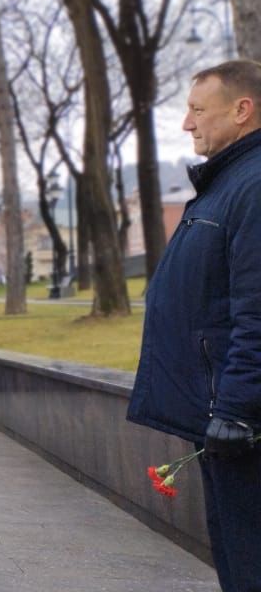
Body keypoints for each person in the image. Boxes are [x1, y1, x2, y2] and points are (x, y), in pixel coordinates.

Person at [127, 60, 261, 592]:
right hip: (220, 412)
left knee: (249, 558)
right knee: (234, 551)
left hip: (237, 418)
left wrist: (237, 408)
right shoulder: (228, 182)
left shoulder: (252, 186)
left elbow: (256, 307)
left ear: (242, 110)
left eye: (198, 110)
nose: (187, 123)